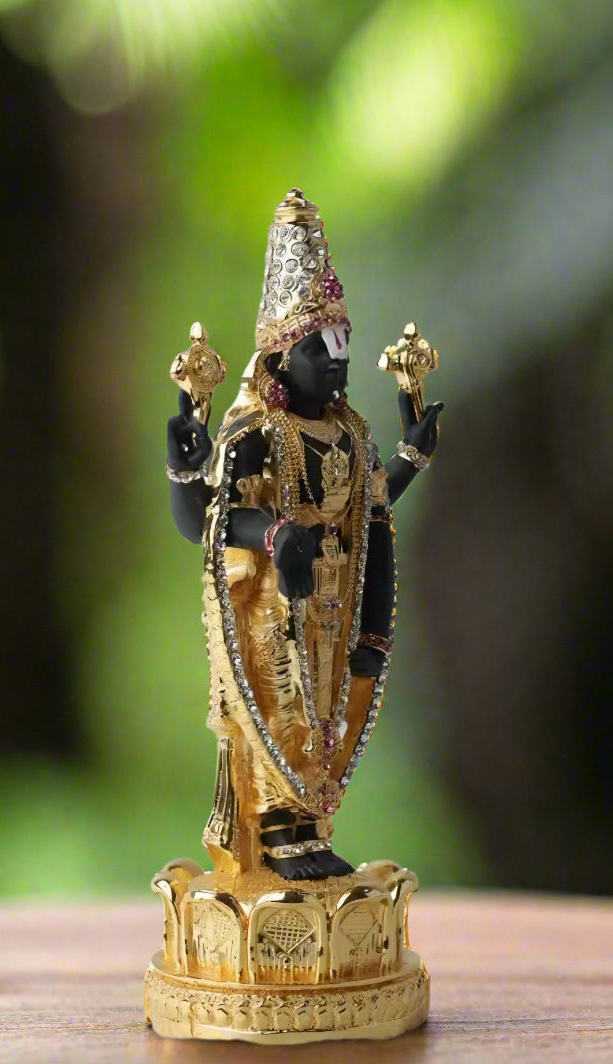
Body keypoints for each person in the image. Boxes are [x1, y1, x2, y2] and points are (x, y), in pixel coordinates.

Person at [166, 189, 442, 881]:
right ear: (283, 356)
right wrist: (270, 534)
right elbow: (209, 519)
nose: (339, 362)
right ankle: (276, 834)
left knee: (325, 717)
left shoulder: (349, 431)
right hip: (272, 605)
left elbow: (373, 504)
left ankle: (312, 829)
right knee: (279, 709)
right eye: (323, 349)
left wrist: (412, 455)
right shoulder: (258, 434)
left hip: (333, 603)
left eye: (343, 348)